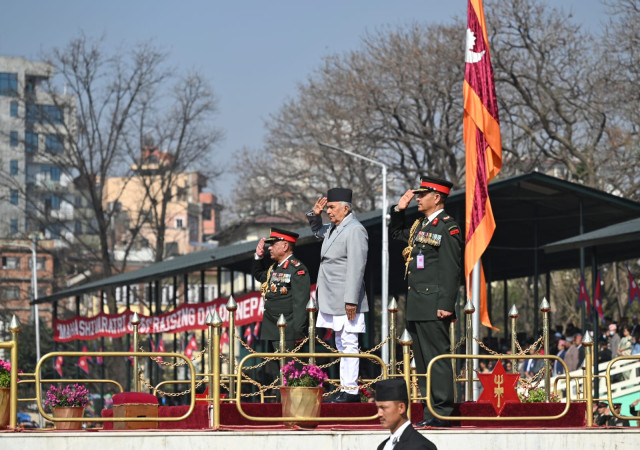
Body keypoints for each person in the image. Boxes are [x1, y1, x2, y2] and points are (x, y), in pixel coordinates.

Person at [390, 176, 463, 427]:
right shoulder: (421, 225)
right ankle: (431, 409)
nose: (418, 199)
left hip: (434, 304)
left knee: (436, 359)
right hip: (418, 303)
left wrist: (446, 304)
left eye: (422, 195)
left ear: (437, 197)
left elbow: (451, 268)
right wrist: (399, 211)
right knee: (422, 360)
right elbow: (397, 233)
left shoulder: (447, 227)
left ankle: (443, 411)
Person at [307, 188, 369, 403]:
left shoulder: (355, 230)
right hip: (332, 296)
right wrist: (315, 215)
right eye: (328, 208)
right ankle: (345, 387)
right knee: (341, 343)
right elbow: (317, 232)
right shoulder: (335, 228)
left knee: (349, 342)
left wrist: (351, 299)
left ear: (346, 208)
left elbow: (356, 267)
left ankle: (351, 390)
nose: (329, 211)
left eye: (332, 207)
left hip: (346, 298)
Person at [253, 228, 311, 389]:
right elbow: (259, 275)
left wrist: (298, 331)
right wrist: (258, 256)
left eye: (273, 244)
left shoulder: (296, 268)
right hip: (273, 328)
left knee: (291, 373)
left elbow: (301, 303)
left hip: (289, 330)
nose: (269, 247)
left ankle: (290, 402)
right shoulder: (275, 268)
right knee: (279, 373)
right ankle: (281, 401)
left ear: (285, 246)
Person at [375, 379, 437, 450]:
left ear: (401, 408)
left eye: (384, 408)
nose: (379, 414)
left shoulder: (421, 446)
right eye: (378, 408)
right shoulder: (383, 446)